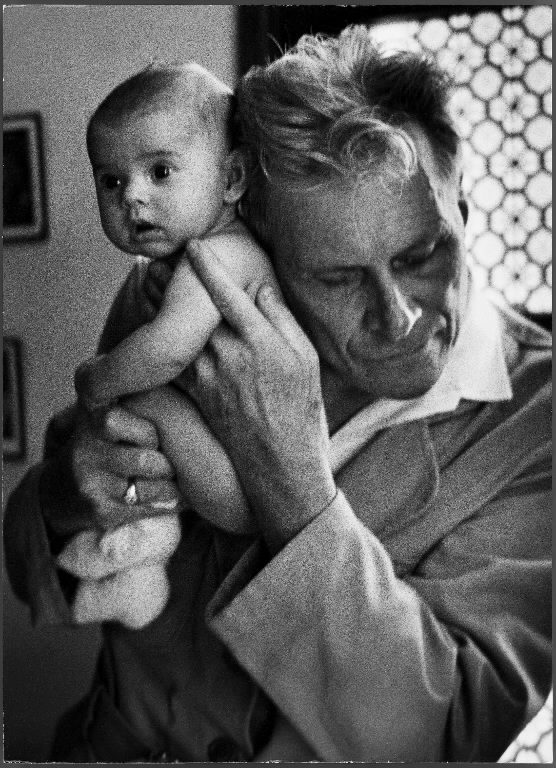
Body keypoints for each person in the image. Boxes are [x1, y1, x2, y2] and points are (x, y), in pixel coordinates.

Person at [4, 25, 551, 763]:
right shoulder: (187, 294)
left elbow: (445, 735)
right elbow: (31, 554)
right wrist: (71, 492)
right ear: (268, 250)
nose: (398, 316)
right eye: (336, 278)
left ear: (465, 213)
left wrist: (291, 487)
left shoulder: (540, 418)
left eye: (421, 255)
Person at [58, 61, 280, 628]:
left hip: (238, 489)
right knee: (128, 432)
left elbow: (168, 348)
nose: (131, 195)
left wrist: (98, 377)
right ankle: (135, 564)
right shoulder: (155, 274)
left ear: (231, 179)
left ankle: (135, 568)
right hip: (219, 473)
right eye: (111, 181)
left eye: (159, 171)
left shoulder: (222, 254)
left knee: (143, 400)